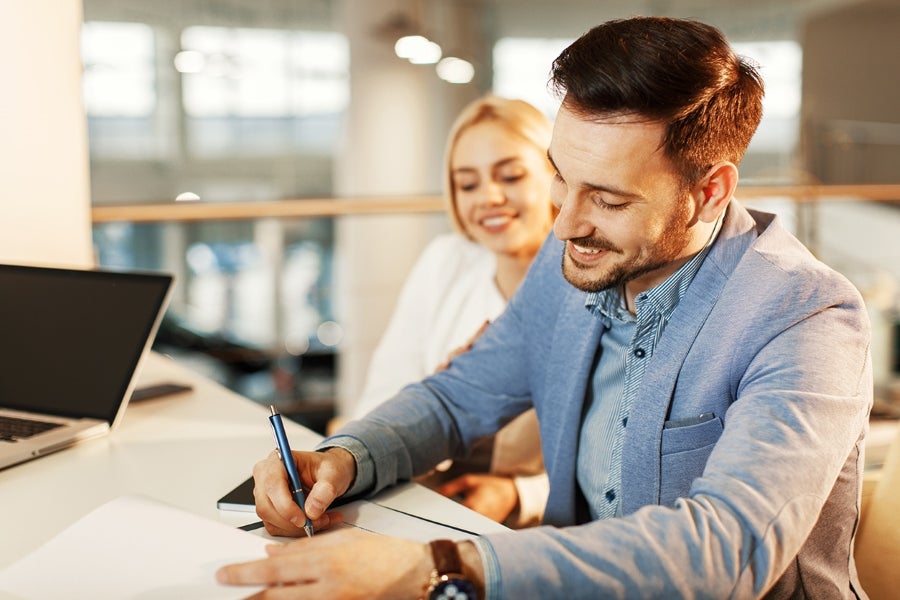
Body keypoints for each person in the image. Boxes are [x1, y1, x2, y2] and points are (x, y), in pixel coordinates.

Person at [217, 16, 873, 599]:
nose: (564, 225)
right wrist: (344, 458)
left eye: (609, 200)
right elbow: (456, 398)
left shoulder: (806, 317)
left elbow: (726, 552)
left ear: (709, 192)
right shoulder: (574, 268)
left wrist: (439, 568)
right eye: (561, 176)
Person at [333, 94, 556, 527]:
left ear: (556, 175)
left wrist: (519, 495)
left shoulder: (593, 280)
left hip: (541, 527)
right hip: (425, 501)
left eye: (510, 176)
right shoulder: (446, 261)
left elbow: (614, 459)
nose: (489, 197)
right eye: (467, 184)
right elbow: (382, 396)